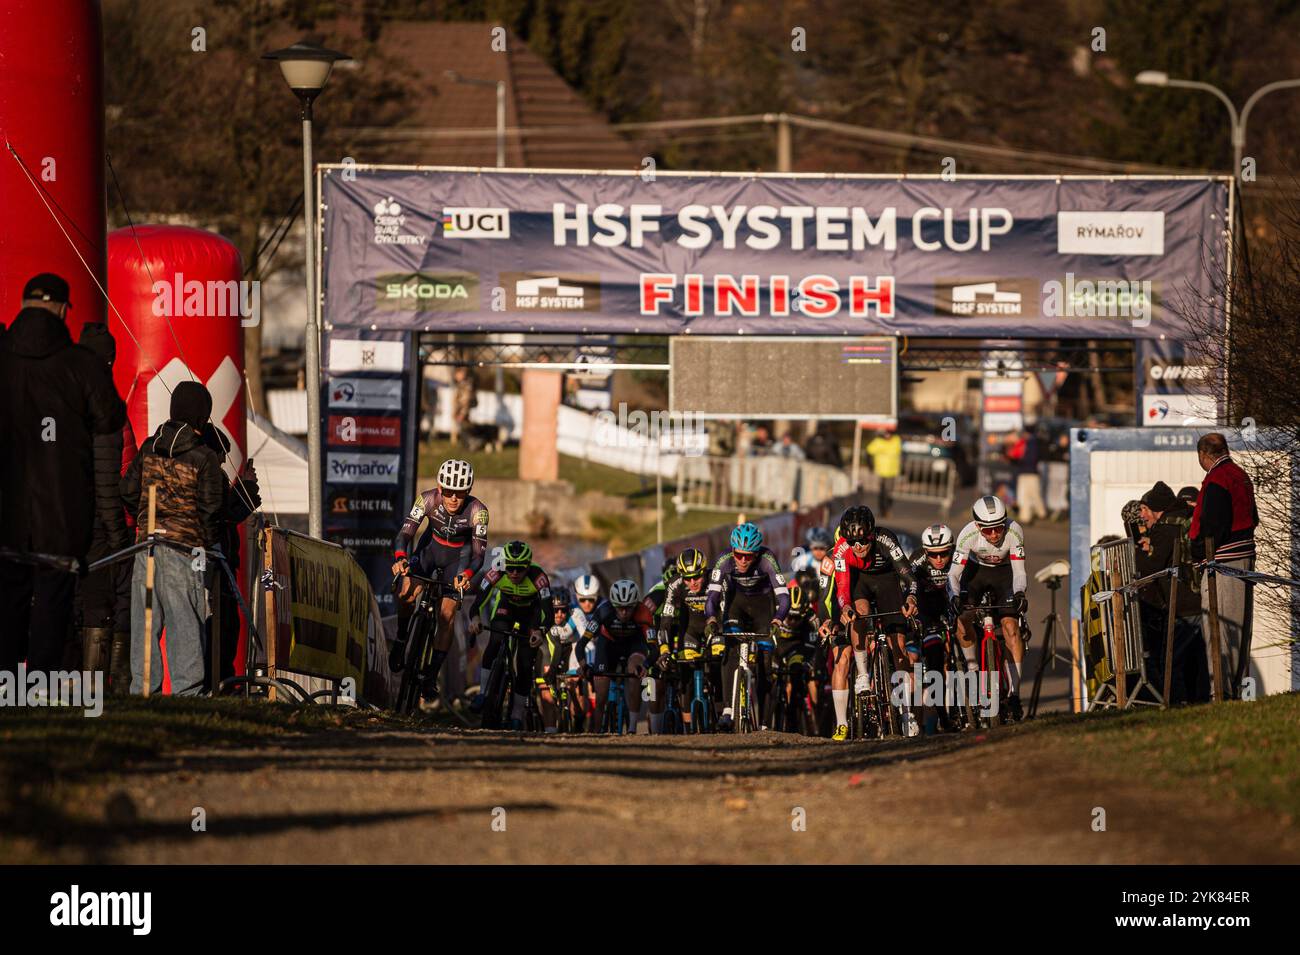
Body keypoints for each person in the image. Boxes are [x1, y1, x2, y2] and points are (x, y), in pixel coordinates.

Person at [0, 274, 126, 679]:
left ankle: (5, 689)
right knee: (53, 603)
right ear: (61, 308)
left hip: (6, 509)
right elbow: (110, 422)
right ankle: (38, 687)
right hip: (61, 509)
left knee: (8, 599)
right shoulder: (81, 366)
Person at [120, 381, 224, 696]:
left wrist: (144, 518)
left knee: (146, 627)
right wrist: (205, 545)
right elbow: (211, 510)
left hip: (146, 547)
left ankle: (143, 694)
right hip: (185, 549)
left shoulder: (149, 447)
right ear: (202, 418)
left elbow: (127, 491)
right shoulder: (204, 457)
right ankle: (188, 694)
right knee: (186, 627)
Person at [390, 458, 488, 700]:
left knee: (446, 615)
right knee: (405, 592)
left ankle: (431, 675)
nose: (454, 498)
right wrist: (401, 558)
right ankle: (402, 639)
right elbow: (404, 534)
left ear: (469, 491)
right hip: (429, 551)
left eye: (461, 493)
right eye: (448, 491)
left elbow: (478, 556)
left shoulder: (479, 512)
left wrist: (466, 576)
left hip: (459, 559)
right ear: (439, 488)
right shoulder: (426, 499)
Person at [74, 322, 134, 688]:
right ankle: (98, 691)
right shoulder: (106, 408)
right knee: (102, 605)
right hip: (100, 526)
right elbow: (109, 477)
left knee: (72, 604)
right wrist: (118, 536)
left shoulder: (61, 397)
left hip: (62, 520)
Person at [826, 505, 918, 738]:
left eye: (864, 542)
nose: (859, 547)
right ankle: (863, 675)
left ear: (872, 535)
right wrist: (845, 607)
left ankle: (907, 713)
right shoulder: (841, 550)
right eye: (853, 542)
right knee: (859, 613)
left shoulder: (886, 540)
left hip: (888, 581)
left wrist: (910, 597)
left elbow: (908, 576)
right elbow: (842, 588)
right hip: (861, 584)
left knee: (898, 645)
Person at [1189, 433, 1258, 698]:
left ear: (1204, 456)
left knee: (1220, 628)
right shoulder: (1240, 475)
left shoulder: (1218, 479)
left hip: (1224, 562)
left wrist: (1197, 551)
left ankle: (1222, 692)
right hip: (1244, 558)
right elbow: (1253, 518)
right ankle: (1238, 689)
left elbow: (1213, 526)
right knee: (1240, 629)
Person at [704, 522, 790, 731]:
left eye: (748, 556)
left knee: (765, 664)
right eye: (739, 554)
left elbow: (784, 597)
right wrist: (711, 619)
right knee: (730, 650)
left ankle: (764, 723)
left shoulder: (768, 559)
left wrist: (778, 620)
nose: (743, 560)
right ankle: (727, 710)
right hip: (736, 605)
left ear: (757, 553)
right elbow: (712, 598)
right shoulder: (724, 561)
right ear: (732, 550)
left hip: (763, 606)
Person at [949, 495, 1028, 720]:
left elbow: (1019, 571)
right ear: (977, 526)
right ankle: (974, 670)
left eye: (998, 528)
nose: (994, 535)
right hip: (976, 573)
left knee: (1011, 627)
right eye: (987, 530)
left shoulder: (1014, 531)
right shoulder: (968, 534)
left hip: (1005, 573)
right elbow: (954, 574)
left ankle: (1014, 694)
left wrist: (1020, 592)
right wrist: (954, 597)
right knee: (963, 618)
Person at [197, 423, 261, 685]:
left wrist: (245, 488)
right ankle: (216, 682)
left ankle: (222, 681)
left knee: (228, 627)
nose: (224, 459)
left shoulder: (215, 475)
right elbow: (224, 515)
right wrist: (246, 489)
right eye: (222, 453)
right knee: (220, 628)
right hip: (214, 563)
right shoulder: (208, 475)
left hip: (221, 562)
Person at [1134, 481, 1208, 704]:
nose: (1143, 515)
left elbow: (1151, 567)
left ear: (1156, 508)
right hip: (1197, 599)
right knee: (1199, 659)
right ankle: (1202, 701)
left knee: (1170, 660)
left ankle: (1177, 704)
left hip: (1183, 606)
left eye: (1145, 509)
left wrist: (1136, 552)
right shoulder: (1181, 520)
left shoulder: (1165, 528)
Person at [467, 540, 551, 729]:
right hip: (506, 608)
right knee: (495, 640)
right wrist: (475, 619)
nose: (513, 573)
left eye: (519, 569)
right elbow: (477, 603)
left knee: (524, 664)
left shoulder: (539, 577)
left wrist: (540, 631)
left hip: (531, 614)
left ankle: (517, 715)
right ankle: (482, 693)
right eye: (510, 568)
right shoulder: (496, 572)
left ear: (528, 566)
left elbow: (549, 613)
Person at [576, 578, 653, 734]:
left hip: (634, 645)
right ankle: (596, 732)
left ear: (635, 605)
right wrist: (583, 666)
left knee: (634, 671)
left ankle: (632, 728)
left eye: (628, 608)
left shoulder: (644, 612)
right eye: (619, 608)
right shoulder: (604, 611)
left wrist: (645, 666)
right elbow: (581, 644)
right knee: (601, 695)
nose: (624, 612)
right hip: (608, 646)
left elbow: (654, 647)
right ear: (613, 604)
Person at [907, 523, 957, 733]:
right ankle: (943, 716)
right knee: (935, 659)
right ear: (926, 552)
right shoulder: (916, 561)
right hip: (927, 609)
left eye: (944, 554)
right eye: (933, 555)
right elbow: (908, 588)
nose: (938, 559)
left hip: (950, 602)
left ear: (951, 549)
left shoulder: (959, 556)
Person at [1007, 427, 1046, 525]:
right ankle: (1028, 516)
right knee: (1027, 496)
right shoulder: (1030, 443)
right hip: (1026, 473)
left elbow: (1029, 459)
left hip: (1029, 472)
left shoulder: (1030, 443)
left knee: (1030, 495)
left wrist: (1018, 458)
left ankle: (1038, 514)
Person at [865, 426, 901, 518]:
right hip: (880, 471)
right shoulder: (878, 442)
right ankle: (882, 510)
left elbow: (898, 453)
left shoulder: (896, 440)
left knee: (888, 492)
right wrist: (870, 465)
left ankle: (887, 510)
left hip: (892, 471)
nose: (887, 436)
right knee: (882, 492)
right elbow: (868, 451)